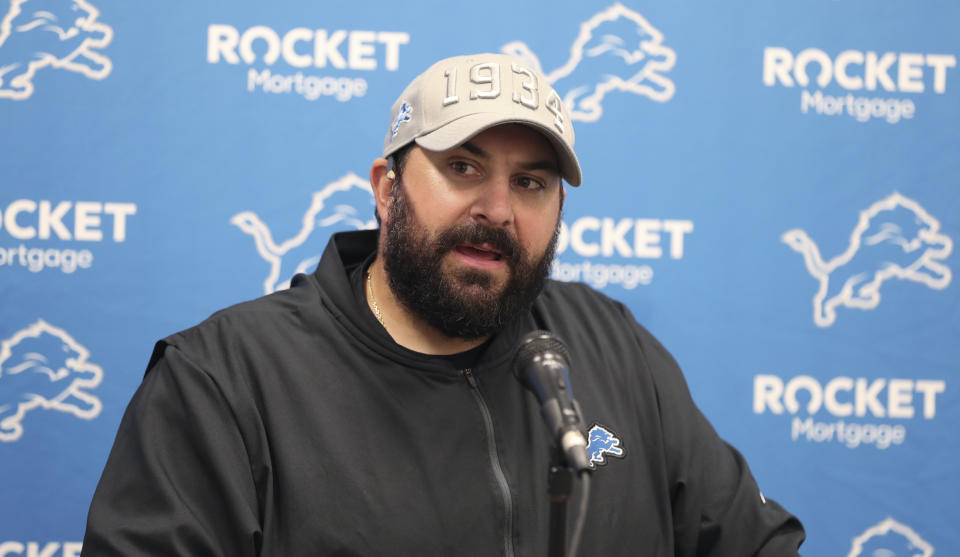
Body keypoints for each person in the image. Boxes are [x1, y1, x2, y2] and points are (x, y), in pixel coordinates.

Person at [82, 53, 804, 556]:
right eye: (462, 168)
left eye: (532, 183)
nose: (497, 208)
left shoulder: (610, 345)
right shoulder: (226, 380)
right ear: (388, 189)